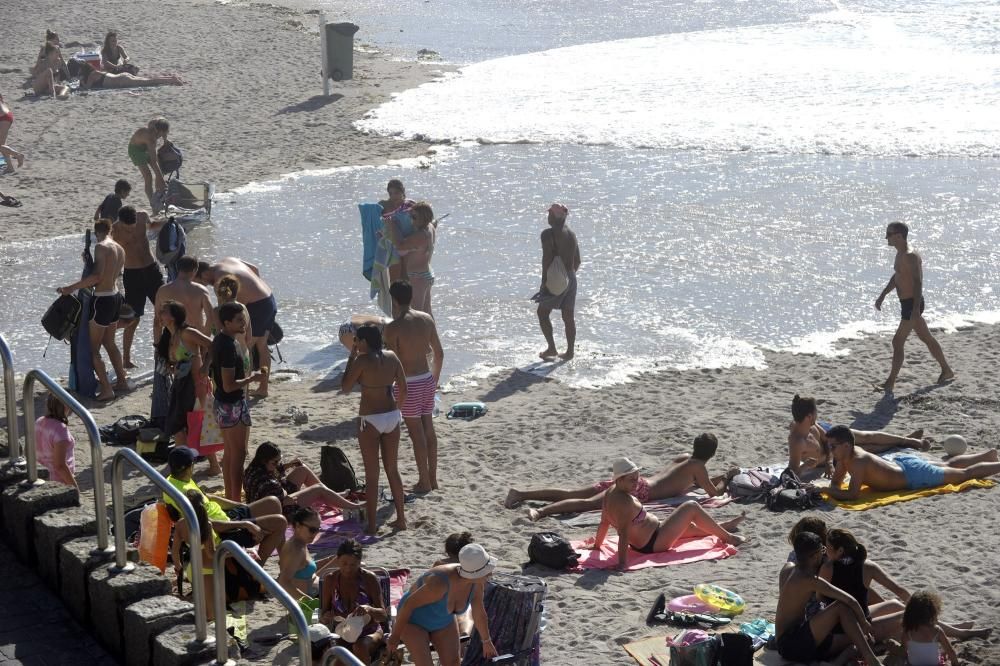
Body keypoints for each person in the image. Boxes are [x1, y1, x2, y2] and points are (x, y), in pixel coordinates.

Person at [506, 433, 739, 520]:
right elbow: (712, 492)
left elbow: (698, 481)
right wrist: (727, 478)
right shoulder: (699, 467)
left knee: (574, 493)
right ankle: (540, 511)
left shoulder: (685, 458)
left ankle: (520, 494)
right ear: (712, 454)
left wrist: (719, 475)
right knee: (588, 505)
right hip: (640, 490)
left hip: (633, 479)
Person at [590, 457, 746, 571]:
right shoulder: (623, 502)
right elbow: (623, 534)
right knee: (691, 507)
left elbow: (604, 522)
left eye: (637, 478)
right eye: (632, 480)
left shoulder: (610, 493)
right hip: (654, 542)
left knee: (689, 526)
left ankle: (724, 527)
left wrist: (597, 546)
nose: (636, 483)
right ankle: (729, 538)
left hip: (653, 533)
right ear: (619, 480)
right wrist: (622, 564)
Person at [164, 446, 286, 568]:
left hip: (225, 517)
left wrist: (242, 506)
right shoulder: (184, 495)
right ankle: (256, 569)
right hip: (223, 532)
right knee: (280, 522)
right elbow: (206, 523)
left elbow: (210, 498)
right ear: (190, 466)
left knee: (273, 502)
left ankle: (284, 559)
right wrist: (245, 524)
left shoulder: (174, 480)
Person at [775, 532, 883, 665]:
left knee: (852, 638)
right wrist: (864, 623)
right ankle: (872, 660)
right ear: (814, 556)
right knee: (841, 607)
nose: (824, 553)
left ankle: (847, 655)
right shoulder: (809, 580)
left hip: (790, 639)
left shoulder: (789, 568)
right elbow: (849, 600)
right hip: (790, 644)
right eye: (822, 550)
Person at [340, 324, 408, 534]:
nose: (356, 345)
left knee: (372, 475)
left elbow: (345, 387)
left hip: (370, 419)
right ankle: (401, 519)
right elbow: (403, 388)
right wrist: (397, 411)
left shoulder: (361, 360)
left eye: (357, 341)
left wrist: (351, 358)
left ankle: (371, 525)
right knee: (392, 470)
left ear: (365, 342)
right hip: (392, 416)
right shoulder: (392, 357)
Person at [874, 222, 954, 393]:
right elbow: (897, 277)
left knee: (897, 341)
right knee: (926, 338)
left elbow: (918, 282)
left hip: (912, 304)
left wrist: (916, 308)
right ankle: (947, 371)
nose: (886, 237)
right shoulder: (900, 254)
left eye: (889, 233)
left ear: (899, 235)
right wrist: (883, 295)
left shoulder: (910, 256)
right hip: (908, 304)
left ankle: (890, 382)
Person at [389, 544, 499, 665]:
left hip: (443, 621)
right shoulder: (439, 584)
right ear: (476, 574)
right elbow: (408, 605)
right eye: (488, 572)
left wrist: (486, 641)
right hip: (413, 622)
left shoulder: (477, 583)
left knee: (453, 663)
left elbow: (479, 613)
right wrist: (395, 636)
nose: (491, 574)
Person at [825, 425, 1000, 499]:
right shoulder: (844, 457)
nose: (830, 450)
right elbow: (836, 484)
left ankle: (994, 462)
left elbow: (852, 494)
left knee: (964, 475)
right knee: (947, 465)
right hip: (902, 463)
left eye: (833, 446)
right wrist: (827, 488)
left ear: (847, 445)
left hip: (912, 475)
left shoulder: (858, 461)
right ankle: (988, 454)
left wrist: (824, 489)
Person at [383, 281, 444, 492]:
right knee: (429, 429)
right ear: (411, 296)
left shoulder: (393, 328)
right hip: (427, 378)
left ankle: (423, 482)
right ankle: (433, 479)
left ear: (394, 300)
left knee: (416, 434)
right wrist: (434, 380)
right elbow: (439, 353)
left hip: (408, 384)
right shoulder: (426, 319)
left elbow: (393, 363)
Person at [58, 220, 128, 401]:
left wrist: (70, 288)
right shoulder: (120, 248)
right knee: (110, 342)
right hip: (116, 297)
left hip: (102, 300)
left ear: (97, 232)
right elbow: (113, 273)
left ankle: (106, 389)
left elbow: (97, 277)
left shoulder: (101, 247)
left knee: (92, 348)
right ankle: (122, 381)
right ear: (110, 229)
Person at [788, 394, 930, 478]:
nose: (817, 416)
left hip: (831, 446)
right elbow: (791, 473)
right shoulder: (797, 441)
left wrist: (829, 463)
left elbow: (827, 440)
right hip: (833, 456)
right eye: (815, 413)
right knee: (867, 449)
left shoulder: (811, 425)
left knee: (866, 436)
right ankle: (901, 442)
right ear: (809, 416)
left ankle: (909, 440)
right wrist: (805, 466)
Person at [196, 258, 277, 397]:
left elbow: (223, 311)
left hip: (256, 305)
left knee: (244, 347)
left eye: (198, 282)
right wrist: (254, 291)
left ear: (203, 275)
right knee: (262, 346)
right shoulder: (227, 260)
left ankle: (244, 389)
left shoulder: (219, 281)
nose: (202, 285)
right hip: (268, 297)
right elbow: (255, 269)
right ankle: (263, 388)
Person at [212, 302, 264, 500]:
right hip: (231, 403)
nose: (244, 323)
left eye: (244, 319)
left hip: (223, 403)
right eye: (239, 320)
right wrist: (253, 378)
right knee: (239, 454)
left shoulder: (221, 339)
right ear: (227, 322)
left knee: (230, 453)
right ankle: (234, 499)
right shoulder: (228, 346)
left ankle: (229, 494)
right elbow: (229, 384)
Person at [242, 441, 360, 516]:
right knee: (318, 489)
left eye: (280, 460)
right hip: (279, 510)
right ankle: (352, 506)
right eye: (275, 462)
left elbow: (275, 471)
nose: (278, 464)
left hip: (271, 499)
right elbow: (281, 501)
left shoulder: (253, 469)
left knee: (302, 470)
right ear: (264, 460)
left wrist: (289, 465)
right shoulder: (267, 482)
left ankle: (332, 495)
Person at [113, 205, 165, 369]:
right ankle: (126, 359)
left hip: (152, 270)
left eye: (133, 227)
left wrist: (168, 223)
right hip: (132, 275)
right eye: (127, 229)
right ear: (120, 222)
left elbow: (153, 225)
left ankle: (164, 352)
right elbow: (107, 251)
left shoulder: (142, 216)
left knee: (166, 310)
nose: (130, 231)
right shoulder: (113, 230)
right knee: (132, 319)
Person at [320, 538, 388, 664]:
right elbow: (324, 613)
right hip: (343, 633)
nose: (348, 569)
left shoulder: (369, 579)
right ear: (337, 560)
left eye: (353, 565)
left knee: (359, 646)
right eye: (344, 563)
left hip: (370, 632)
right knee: (338, 656)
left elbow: (384, 615)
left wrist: (369, 609)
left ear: (360, 562)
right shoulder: (330, 580)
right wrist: (326, 617)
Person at [157, 301, 212, 449]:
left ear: (173, 317)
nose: (159, 314)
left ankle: (213, 465)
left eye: (164, 312)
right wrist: (172, 366)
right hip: (181, 385)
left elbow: (212, 345)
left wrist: (206, 367)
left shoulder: (187, 333)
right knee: (178, 425)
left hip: (196, 384)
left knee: (197, 424)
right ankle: (181, 463)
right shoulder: (169, 336)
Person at [533, 203, 581, 361]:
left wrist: (544, 283)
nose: (548, 217)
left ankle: (552, 348)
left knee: (542, 312)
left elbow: (546, 259)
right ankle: (570, 352)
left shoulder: (548, 234)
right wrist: (568, 278)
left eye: (550, 214)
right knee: (568, 316)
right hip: (571, 277)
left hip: (556, 277)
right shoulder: (572, 234)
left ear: (554, 216)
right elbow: (578, 261)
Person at [385, 203, 436, 316]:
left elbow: (399, 245)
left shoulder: (420, 236)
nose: (411, 220)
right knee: (427, 313)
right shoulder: (430, 227)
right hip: (426, 274)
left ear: (423, 218)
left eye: (414, 217)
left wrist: (392, 224)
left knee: (416, 315)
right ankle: (432, 334)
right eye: (410, 216)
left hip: (418, 277)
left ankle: (420, 334)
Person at [277, 507, 337, 598]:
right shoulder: (295, 550)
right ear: (298, 526)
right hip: (312, 596)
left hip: (316, 588)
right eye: (312, 530)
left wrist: (330, 560)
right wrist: (308, 603)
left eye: (318, 529)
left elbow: (304, 568)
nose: (315, 534)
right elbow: (283, 582)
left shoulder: (300, 543)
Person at [182, 489, 220, 621]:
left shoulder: (182, 523)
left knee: (202, 609)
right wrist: (230, 553)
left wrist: (177, 567)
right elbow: (211, 554)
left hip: (192, 569)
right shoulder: (206, 525)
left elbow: (175, 551)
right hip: (207, 571)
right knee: (211, 615)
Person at [34, 393, 78, 491]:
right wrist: (74, 488)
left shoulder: (39, 421)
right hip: (59, 481)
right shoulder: (60, 430)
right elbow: (60, 466)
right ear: (66, 406)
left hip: (41, 476)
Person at [901, 591, 959, 665]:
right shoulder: (936, 631)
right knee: (944, 649)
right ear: (933, 613)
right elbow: (950, 651)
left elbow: (904, 650)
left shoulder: (907, 631)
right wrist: (955, 663)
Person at [378, 179, 416, 283]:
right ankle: (393, 298)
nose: (393, 196)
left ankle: (408, 299)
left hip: (408, 243)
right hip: (392, 245)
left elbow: (423, 220)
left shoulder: (410, 204)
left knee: (407, 278)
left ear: (403, 191)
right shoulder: (383, 205)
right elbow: (373, 220)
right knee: (394, 280)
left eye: (396, 193)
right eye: (390, 193)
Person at [128, 117, 170, 210]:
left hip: (145, 147)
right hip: (136, 151)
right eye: (164, 133)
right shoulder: (151, 140)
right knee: (148, 177)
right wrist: (162, 179)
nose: (165, 134)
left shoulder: (157, 122)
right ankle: (153, 203)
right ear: (159, 131)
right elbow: (154, 162)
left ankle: (159, 192)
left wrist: (165, 140)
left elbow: (163, 127)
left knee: (160, 172)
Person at [79, 62, 183, 91]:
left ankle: (172, 80)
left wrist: (82, 82)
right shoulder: (97, 72)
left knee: (149, 82)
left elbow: (87, 88)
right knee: (148, 80)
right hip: (122, 76)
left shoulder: (92, 75)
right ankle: (171, 78)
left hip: (121, 81)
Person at [213, 275, 252, 349]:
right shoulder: (243, 307)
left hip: (227, 352)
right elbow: (249, 337)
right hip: (243, 354)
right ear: (237, 291)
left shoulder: (217, 311)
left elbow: (219, 335)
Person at [0, 93, 25, 173]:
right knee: (2, 145)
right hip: (6, 115)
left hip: (4, 118)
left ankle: (18, 155)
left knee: (0, 145)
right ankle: (10, 168)